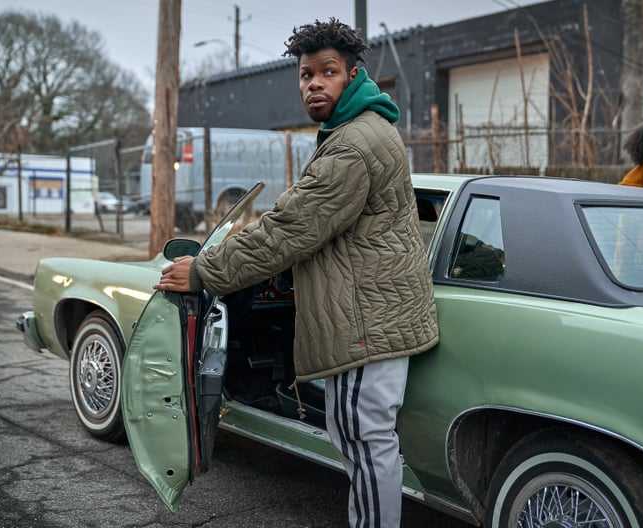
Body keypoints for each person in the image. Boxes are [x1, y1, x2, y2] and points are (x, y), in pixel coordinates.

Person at [154, 17, 439, 528]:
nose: (313, 83)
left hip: (365, 325)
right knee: (360, 437)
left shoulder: (354, 144)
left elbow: (289, 229)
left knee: (364, 438)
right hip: (371, 314)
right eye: (306, 74)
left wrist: (203, 271)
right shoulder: (359, 132)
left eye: (327, 72)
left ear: (353, 76)